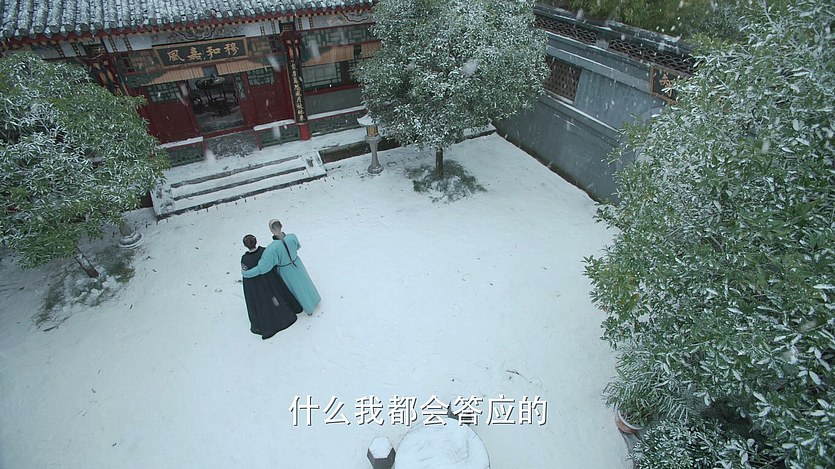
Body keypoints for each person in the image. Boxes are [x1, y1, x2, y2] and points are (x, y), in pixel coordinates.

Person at [242, 219, 321, 315]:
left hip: (285, 270)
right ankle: (315, 299)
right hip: (297, 263)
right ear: (281, 225)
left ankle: (308, 307)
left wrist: (247, 274)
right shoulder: (292, 237)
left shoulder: (272, 248)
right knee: (305, 282)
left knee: (297, 289)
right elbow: (297, 246)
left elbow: (262, 268)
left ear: (271, 230)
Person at [240, 234, 303, 339]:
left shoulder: (245, 259)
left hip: (258, 287)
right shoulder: (265, 251)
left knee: (265, 302)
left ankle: (270, 319)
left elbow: (246, 276)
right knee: (275, 298)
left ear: (245, 245)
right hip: (271, 281)